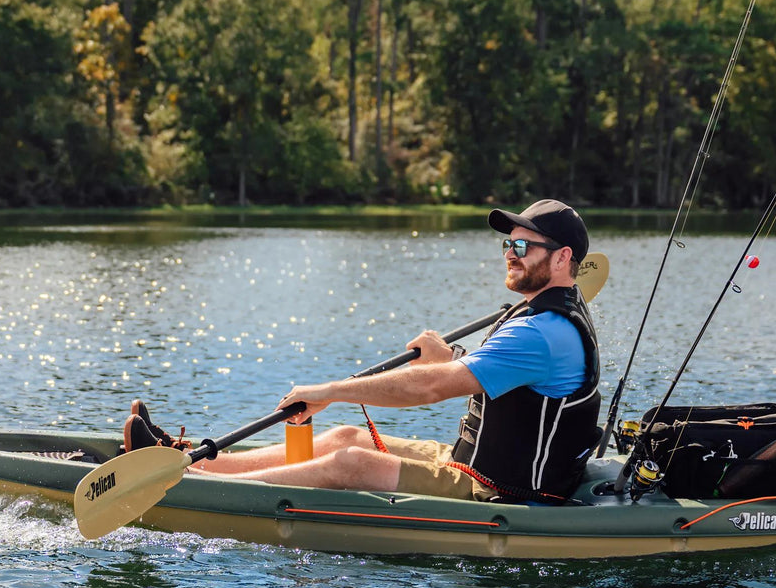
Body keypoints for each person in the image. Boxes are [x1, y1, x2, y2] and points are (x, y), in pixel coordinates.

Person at [138, 199, 602, 503]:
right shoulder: (541, 314)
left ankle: (189, 487)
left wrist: (332, 389)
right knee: (346, 438)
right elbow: (488, 376)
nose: (510, 252)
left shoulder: (544, 330)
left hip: (502, 491)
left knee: (351, 463)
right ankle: (200, 459)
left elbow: (433, 388)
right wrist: (449, 359)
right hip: (471, 461)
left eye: (523, 244)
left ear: (562, 258)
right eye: (508, 243)